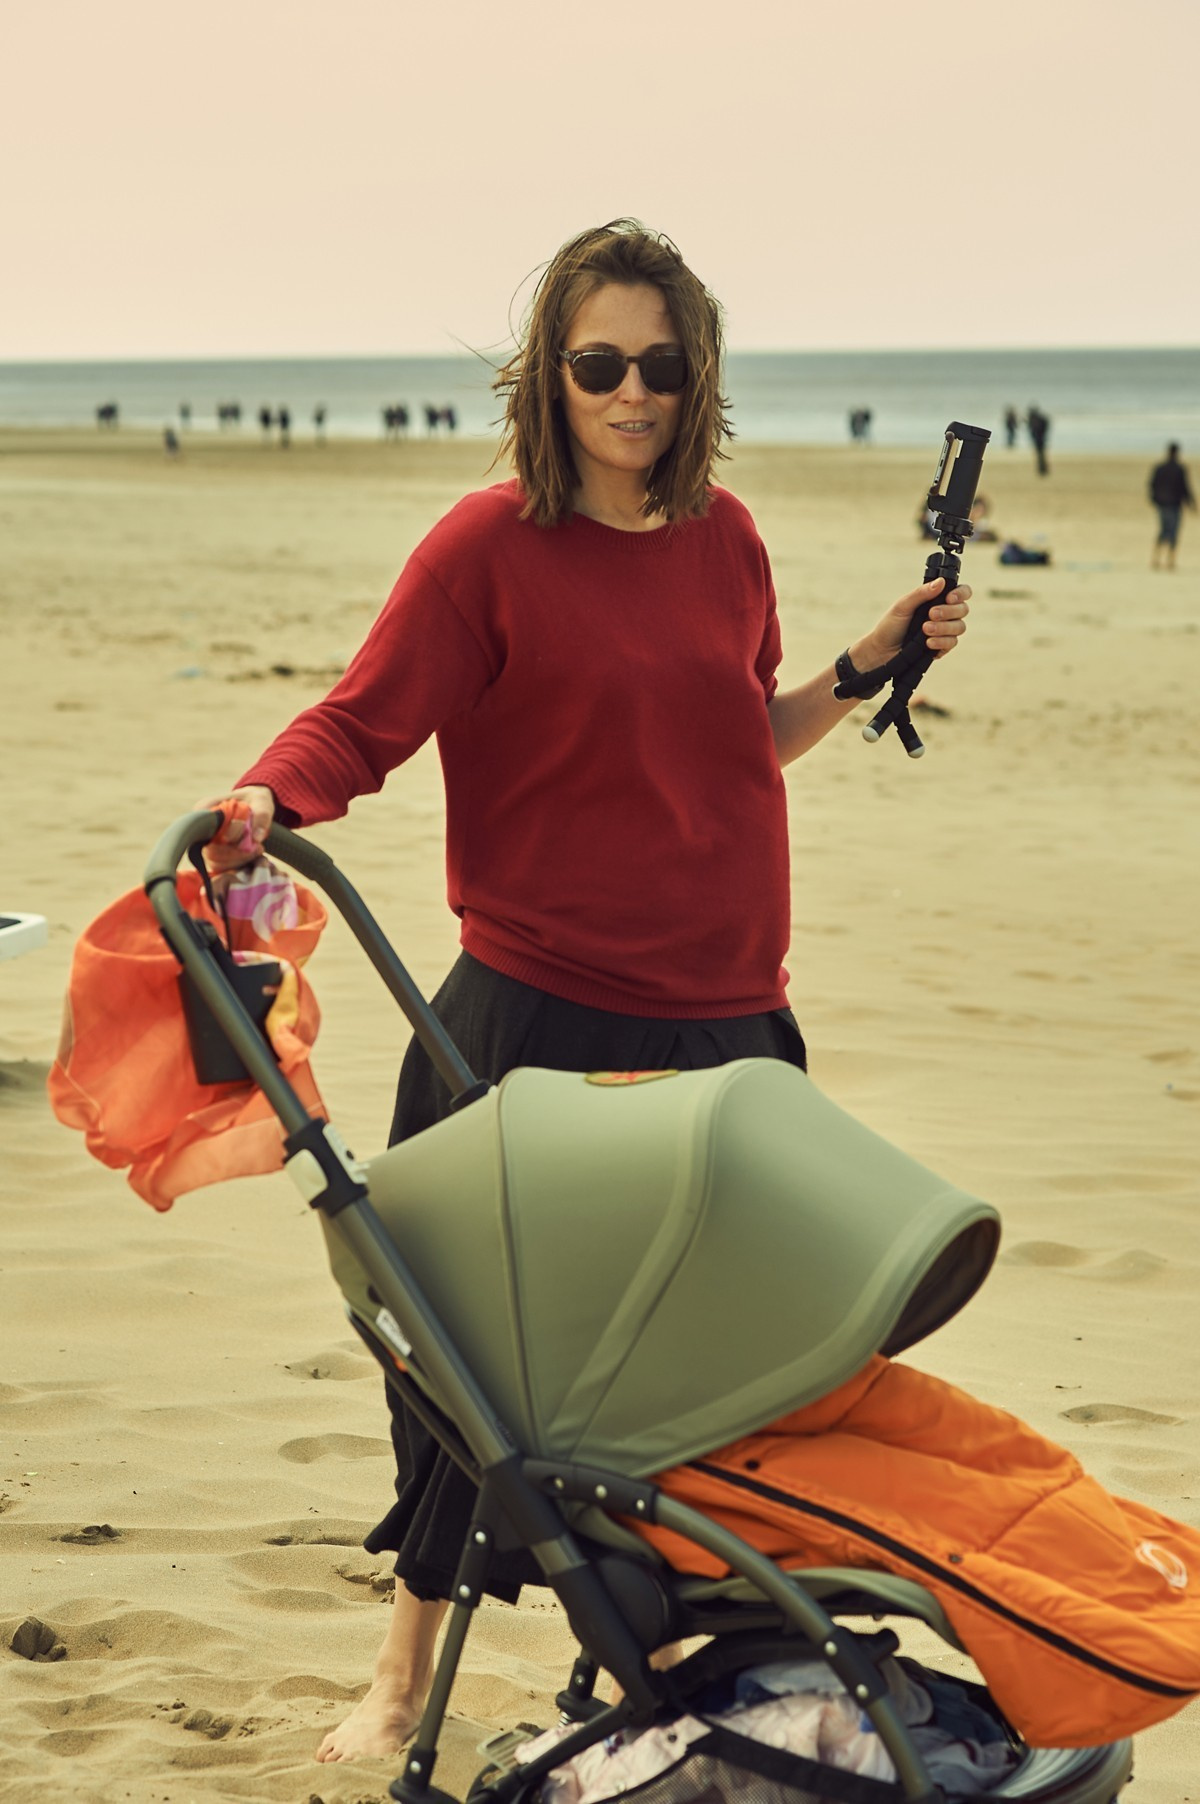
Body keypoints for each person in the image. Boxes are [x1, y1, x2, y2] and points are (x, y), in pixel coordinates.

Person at [203, 220, 970, 1764]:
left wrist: (860, 666)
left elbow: (741, 738)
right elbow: (360, 723)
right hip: (538, 1025)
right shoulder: (484, 550)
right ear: (547, 377)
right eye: (600, 363)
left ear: (700, 379)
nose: (633, 393)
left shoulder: (728, 540)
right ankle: (402, 1676)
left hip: (731, 1029)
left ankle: (667, 1661)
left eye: (662, 366)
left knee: (713, 1368)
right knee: (473, 1377)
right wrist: (265, 799)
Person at [1149, 442, 1195, 569]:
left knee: (1163, 530)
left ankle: (1156, 558)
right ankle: (1170, 560)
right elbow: (1185, 487)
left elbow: (1152, 485)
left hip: (1163, 504)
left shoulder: (1160, 468)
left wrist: (1155, 499)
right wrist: (1191, 503)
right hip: (1174, 504)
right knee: (1172, 531)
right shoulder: (1179, 469)